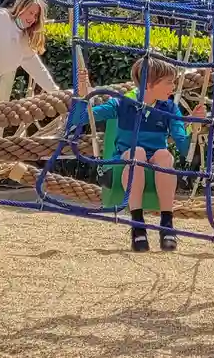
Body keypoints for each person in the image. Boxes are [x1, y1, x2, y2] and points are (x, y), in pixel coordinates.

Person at [71, 55, 196, 252]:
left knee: (165, 155)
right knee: (136, 153)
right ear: (149, 84)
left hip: (155, 160)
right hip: (126, 159)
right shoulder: (122, 103)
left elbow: (184, 147)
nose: (173, 87)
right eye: (168, 82)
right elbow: (78, 118)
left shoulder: (170, 108)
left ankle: (167, 224)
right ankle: (137, 224)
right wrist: (82, 94)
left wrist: (195, 128)